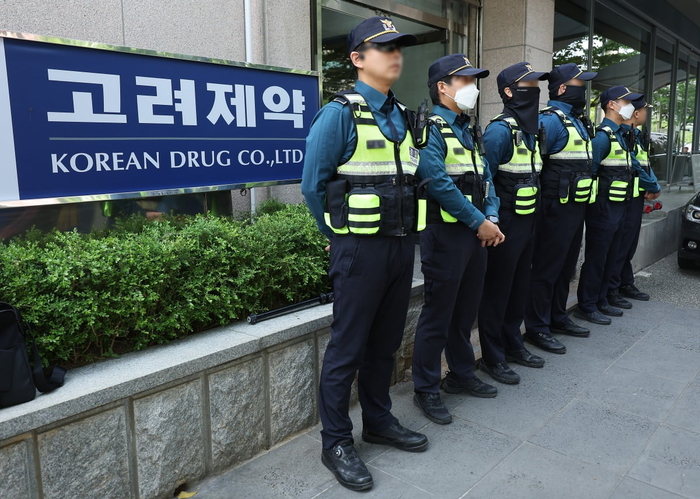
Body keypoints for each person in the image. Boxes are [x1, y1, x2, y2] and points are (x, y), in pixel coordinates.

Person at [301, 16, 429, 492]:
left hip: (400, 246)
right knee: (347, 348)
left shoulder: (404, 116)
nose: (395, 56)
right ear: (357, 59)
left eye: (398, 48)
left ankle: (378, 421)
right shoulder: (338, 114)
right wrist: (337, 236)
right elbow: (312, 187)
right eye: (384, 48)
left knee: (385, 343)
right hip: (358, 249)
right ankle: (335, 442)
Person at [411, 54, 504, 425]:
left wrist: (491, 216)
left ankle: (461, 374)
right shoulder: (430, 128)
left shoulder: (469, 129)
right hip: (445, 235)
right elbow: (437, 183)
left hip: (475, 233)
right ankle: (425, 388)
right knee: (438, 315)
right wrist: (480, 222)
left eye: (473, 80)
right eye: (464, 80)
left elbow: (486, 179)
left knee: (466, 311)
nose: (472, 87)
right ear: (442, 87)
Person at [477, 62, 549, 385]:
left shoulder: (531, 130)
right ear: (509, 92)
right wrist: (490, 220)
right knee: (497, 291)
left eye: (536, 85)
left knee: (519, 287)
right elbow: (485, 180)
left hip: (528, 222)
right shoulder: (499, 131)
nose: (535, 90)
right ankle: (492, 356)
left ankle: (512, 343)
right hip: (504, 225)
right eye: (528, 85)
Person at [523, 63, 597, 354]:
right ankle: (537, 327)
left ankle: (557, 316)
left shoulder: (577, 120)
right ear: (563, 88)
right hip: (554, 209)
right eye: (580, 84)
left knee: (566, 267)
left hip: (574, 208)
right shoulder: (550, 121)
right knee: (547, 268)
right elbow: (535, 166)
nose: (584, 90)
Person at [574, 85, 643, 325]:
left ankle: (601, 299)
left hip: (619, 206)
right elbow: (590, 171)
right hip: (603, 207)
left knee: (611, 254)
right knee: (597, 257)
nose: (631, 107)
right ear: (612, 105)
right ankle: (587, 305)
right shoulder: (602, 137)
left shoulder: (620, 135)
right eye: (627, 102)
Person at [606, 97, 661, 307]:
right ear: (636, 113)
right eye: (645, 110)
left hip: (636, 196)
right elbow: (635, 165)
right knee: (621, 245)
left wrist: (653, 185)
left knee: (629, 244)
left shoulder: (637, 135)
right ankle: (612, 288)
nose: (647, 114)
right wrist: (653, 186)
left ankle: (624, 282)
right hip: (624, 196)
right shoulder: (622, 135)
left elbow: (645, 165)